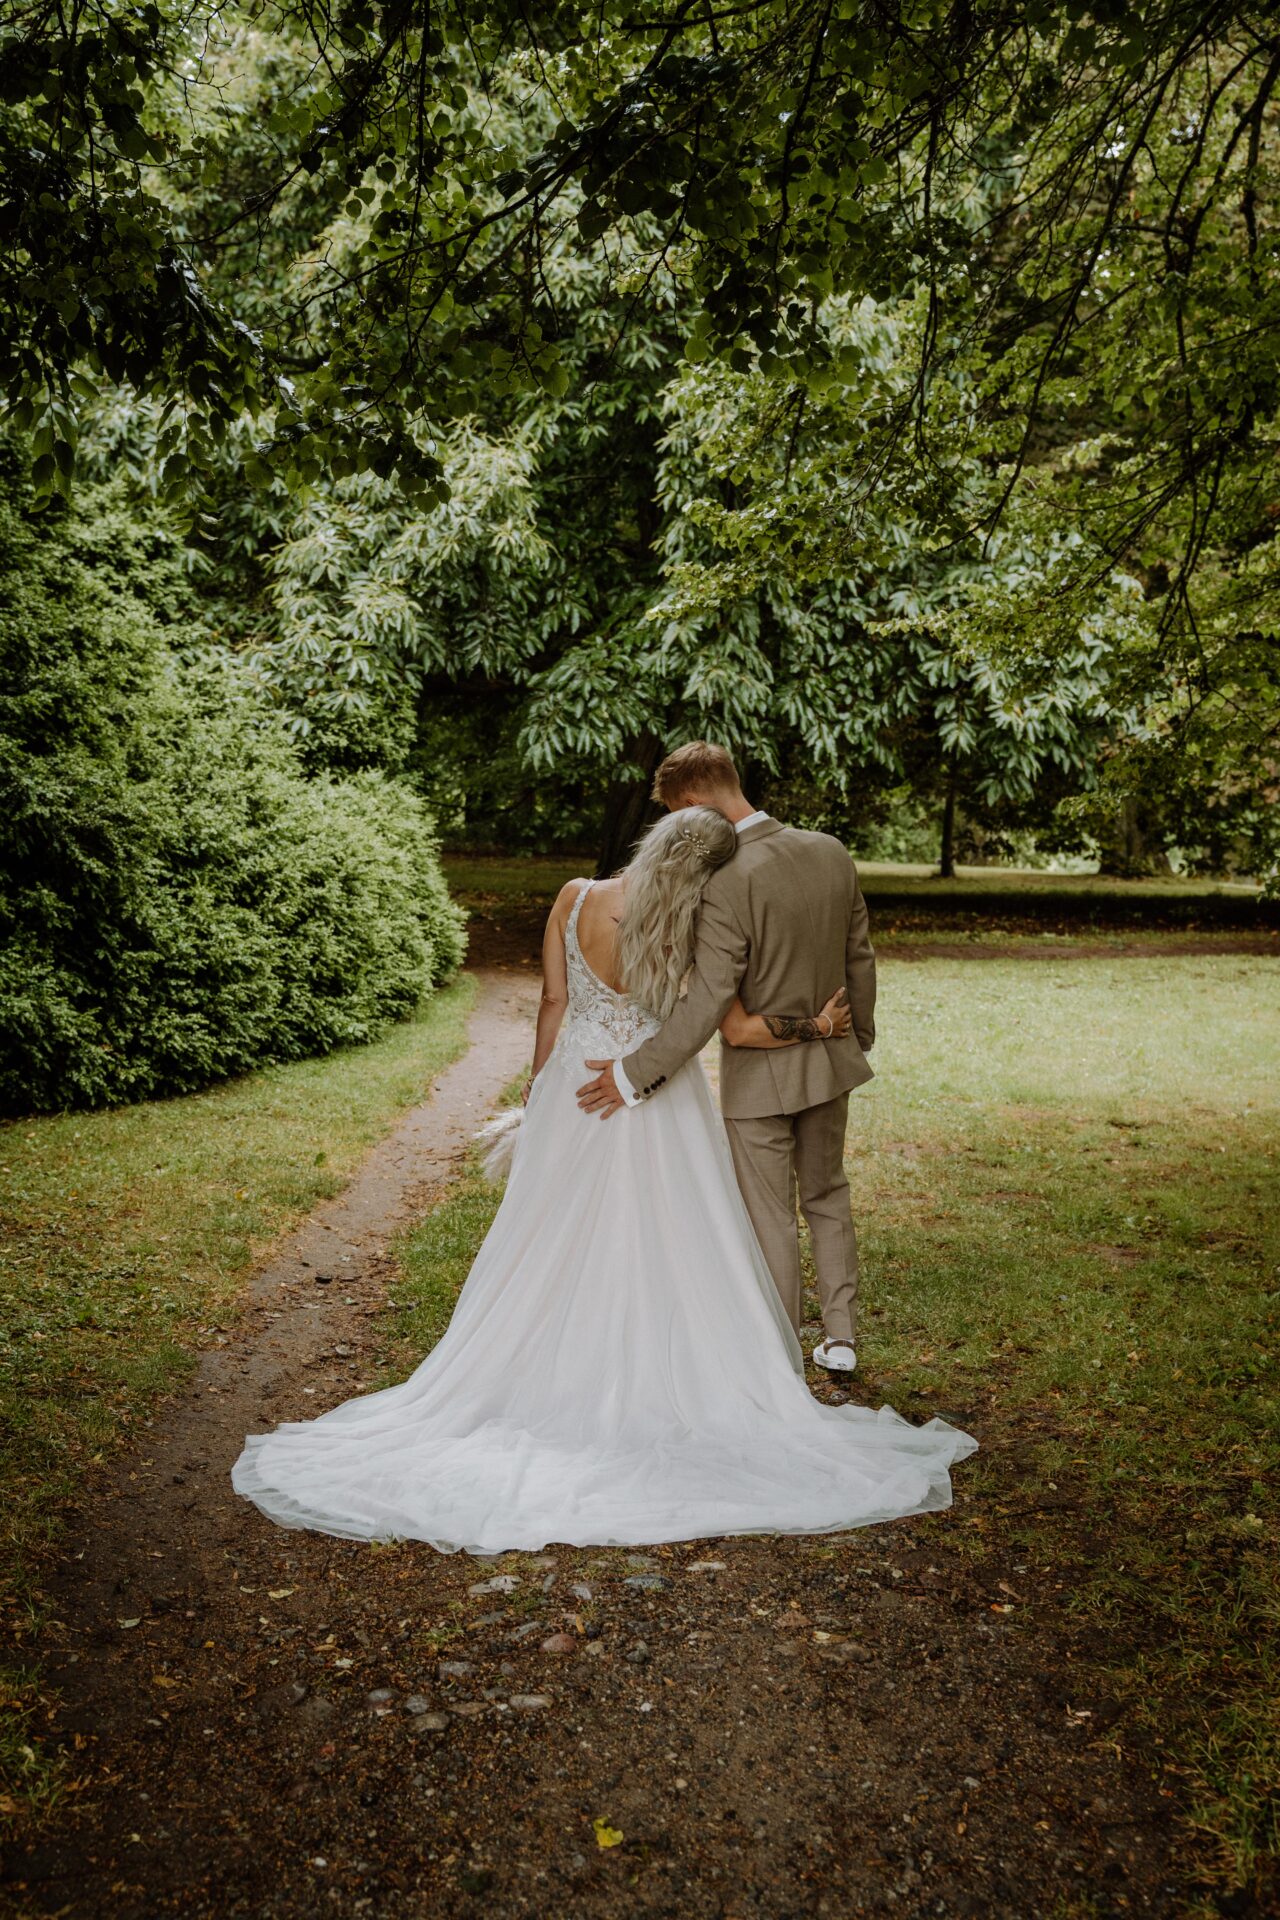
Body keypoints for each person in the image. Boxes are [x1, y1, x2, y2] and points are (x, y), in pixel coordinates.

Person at [231, 803, 974, 1552]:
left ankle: (546, 1366)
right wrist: (817, 1027)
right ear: (707, 871)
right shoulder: (687, 927)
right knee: (676, 1232)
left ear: (651, 841)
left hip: (572, 1087)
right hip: (654, 1095)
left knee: (547, 1233)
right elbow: (734, 1028)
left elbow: (552, 1002)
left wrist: (538, 1092)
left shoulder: (573, 896)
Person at [578, 741, 875, 1375]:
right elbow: (859, 955)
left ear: (689, 804)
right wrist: (856, 1036)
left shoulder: (724, 879)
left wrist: (633, 1072)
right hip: (833, 1059)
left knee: (769, 1210)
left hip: (760, 1079)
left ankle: (780, 1348)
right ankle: (842, 1338)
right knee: (827, 1194)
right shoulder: (830, 851)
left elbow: (709, 1000)